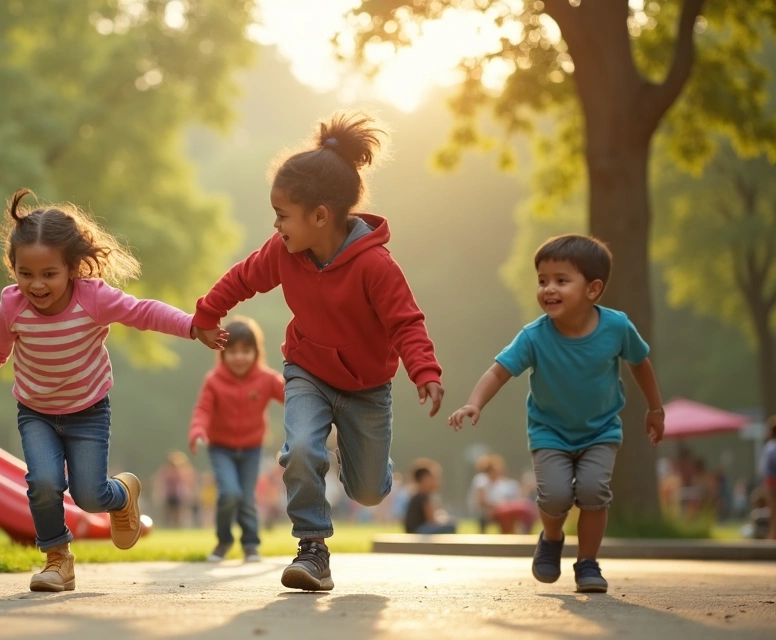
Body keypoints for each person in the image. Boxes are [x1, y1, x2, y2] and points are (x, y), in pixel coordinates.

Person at [192, 112, 445, 591]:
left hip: (368, 388)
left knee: (368, 491)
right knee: (302, 449)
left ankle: (369, 463)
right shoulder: (283, 252)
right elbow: (243, 277)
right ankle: (313, 549)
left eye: (283, 215)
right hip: (307, 369)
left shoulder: (375, 265)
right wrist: (207, 315)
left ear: (321, 216)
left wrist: (424, 371)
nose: (276, 225)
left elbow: (405, 322)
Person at [0, 189, 225, 593]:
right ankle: (57, 560)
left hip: (88, 410)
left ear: (71, 269)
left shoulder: (93, 299)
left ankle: (121, 494)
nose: (36, 284)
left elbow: (144, 312)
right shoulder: (12, 306)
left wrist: (192, 326)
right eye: (25, 273)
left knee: (89, 495)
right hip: (35, 411)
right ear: (12, 268)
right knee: (45, 483)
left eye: (49, 274)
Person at [449, 234, 665, 594]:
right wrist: (474, 402)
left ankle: (588, 563)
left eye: (561, 281)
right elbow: (499, 370)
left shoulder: (617, 327)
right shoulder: (534, 336)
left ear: (593, 290)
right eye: (542, 281)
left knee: (595, 491)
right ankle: (551, 538)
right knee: (555, 497)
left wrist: (655, 408)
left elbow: (640, 363)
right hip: (550, 432)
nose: (548, 289)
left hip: (600, 431)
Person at [189, 317, 285, 562]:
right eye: (232, 351)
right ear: (222, 353)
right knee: (230, 493)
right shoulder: (214, 380)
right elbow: (203, 409)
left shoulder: (266, 378)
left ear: (256, 352)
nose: (239, 357)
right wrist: (198, 430)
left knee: (247, 496)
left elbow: (292, 396)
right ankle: (223, 540)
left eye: (246, 350)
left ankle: (251, 544)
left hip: (252, 447)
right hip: (221, 447)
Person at [403, 459, 456, 534]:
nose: (436, 481)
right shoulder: (423, 496)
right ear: (424, 479)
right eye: (433, 478)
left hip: (414, 531)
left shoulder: (417, 495)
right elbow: (432, 521)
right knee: (451, 526)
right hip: (418, 532)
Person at [762, 416, 776, 539]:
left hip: (771, 482)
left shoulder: (770, 447)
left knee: (773, 509)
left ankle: (773, 533)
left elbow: (765, 468)